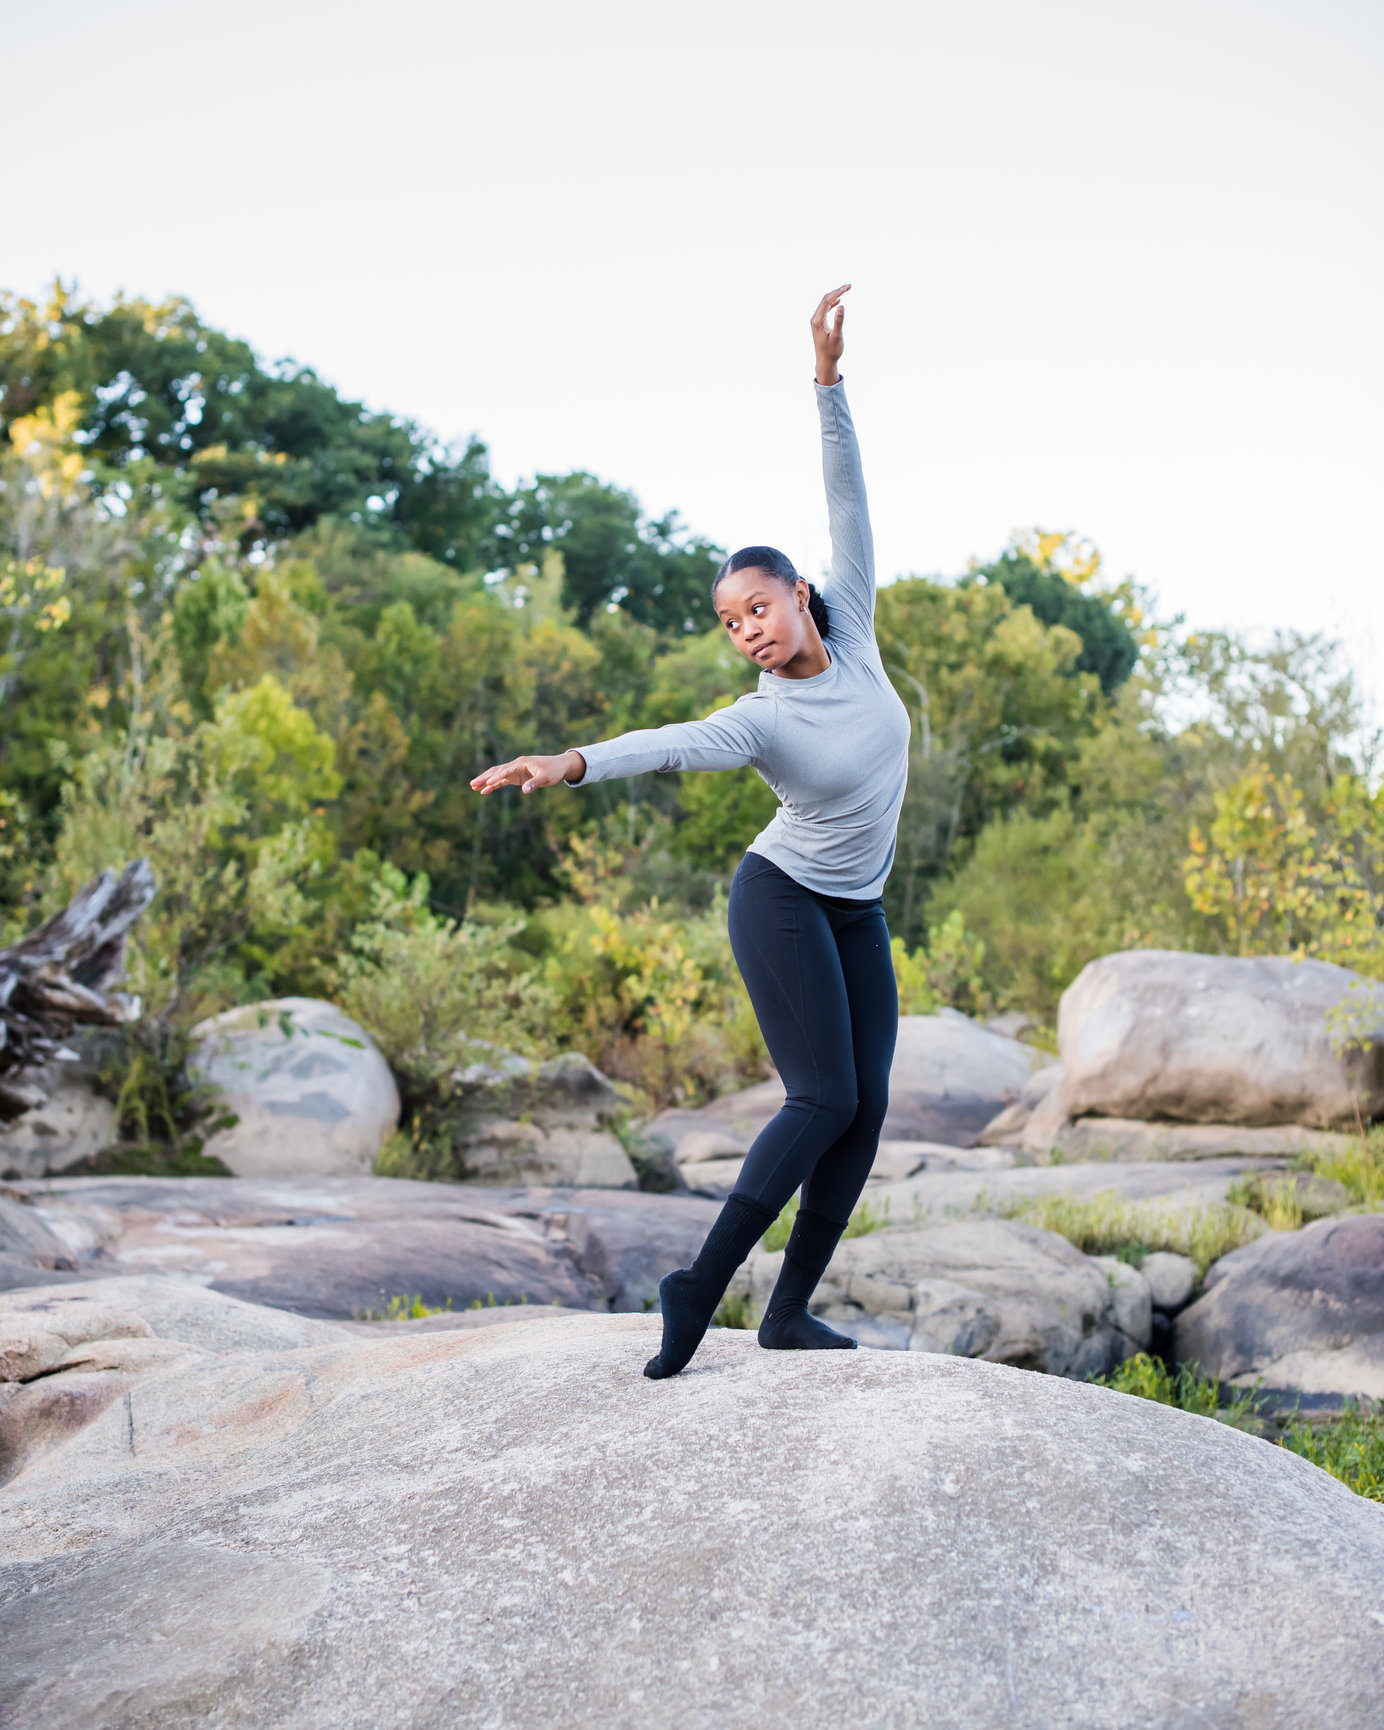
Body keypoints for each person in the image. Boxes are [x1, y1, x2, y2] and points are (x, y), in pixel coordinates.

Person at [471, 284, 911, 1377]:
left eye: (756, 608)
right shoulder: (755, 719)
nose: (746, 633)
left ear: (800, 596)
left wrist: (826, 381)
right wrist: (568, 761)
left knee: (863, 1112)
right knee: (821, 1095)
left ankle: (788, 1310)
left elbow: (847, 496)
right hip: (782, 898)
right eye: (728, 625)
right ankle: (696, 1287)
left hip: (858, 910)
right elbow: (662, 740)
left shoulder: (851, 623)